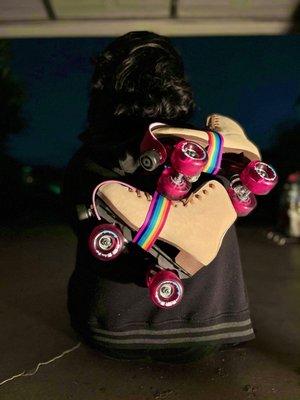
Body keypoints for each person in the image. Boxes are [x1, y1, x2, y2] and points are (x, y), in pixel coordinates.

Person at [62, 31, 254, 363]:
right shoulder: (208, 150)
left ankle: (159, 220)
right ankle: (174, 220)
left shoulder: (89, 158)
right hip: (210, 330)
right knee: (216, 177)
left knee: (93, 197)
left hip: (112, 331)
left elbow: (76, 224)